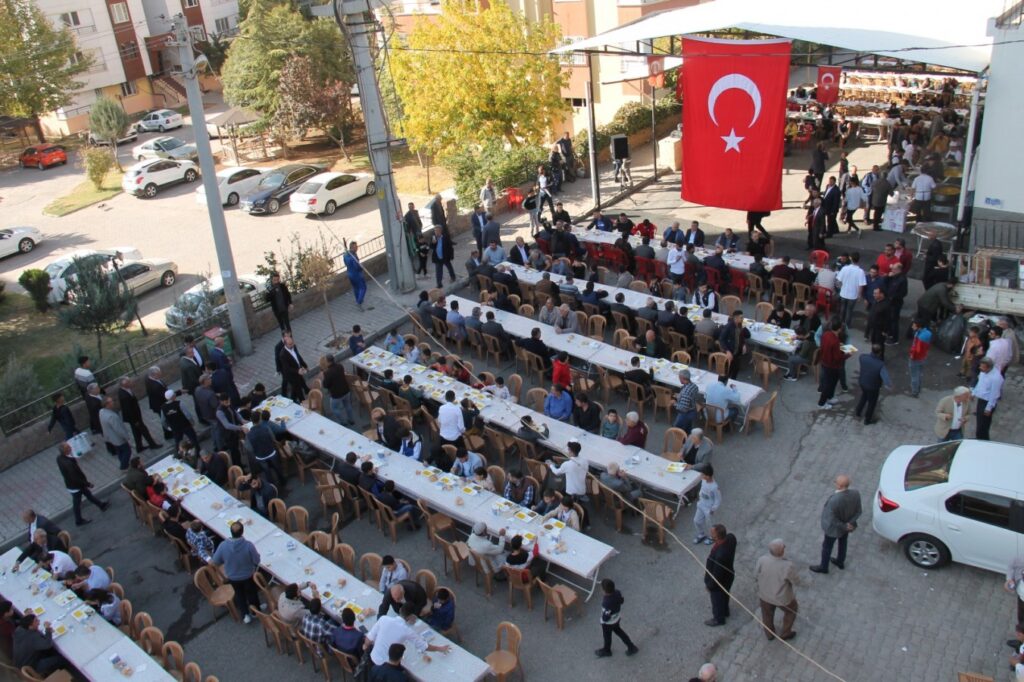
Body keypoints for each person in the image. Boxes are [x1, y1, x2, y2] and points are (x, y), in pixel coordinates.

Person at [365, 605, 450, 667]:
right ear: (411, 616)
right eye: (415, 617)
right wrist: (440, 649)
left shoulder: (384, 618)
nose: (415, 619)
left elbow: (368, 639)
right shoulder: (407, 631)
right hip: (387, 665)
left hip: (372, 658)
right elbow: (424, 646)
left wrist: (364, 646)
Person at [810, 475, 863, 574]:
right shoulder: (856, 494)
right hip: (847, 527)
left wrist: (844, 526)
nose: (834, 483)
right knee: (843, 543)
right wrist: (849, 524)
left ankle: (824, 567)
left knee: (827, 547)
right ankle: (840, 561)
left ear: (839, 486)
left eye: (836, 482)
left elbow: (831, 518)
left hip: (833, 529)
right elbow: (859, 511)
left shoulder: (834, 500)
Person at [211, 521, 262, 624]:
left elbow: (215, 561)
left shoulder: (223, 546)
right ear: (242, 532)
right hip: (248, 576)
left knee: (239, 595)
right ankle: (255, 612)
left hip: (233, 577)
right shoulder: (248, 546)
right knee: (252, 593)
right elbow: (257, 560)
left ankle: (245, 615)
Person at [755, 539, 802, 641]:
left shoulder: (762, 560)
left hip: (765, 595)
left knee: (767, 614)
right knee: (791, 610)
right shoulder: (787, 565)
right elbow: (796, 581)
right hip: (782, 598)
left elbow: (756, 575)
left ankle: (769, 633)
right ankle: (786, 632)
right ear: (781, 551)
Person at [56, 442, 108, 526]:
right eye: (68, 447)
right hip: (76, 486)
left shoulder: (59, 458)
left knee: (88, 495)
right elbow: (75, 477)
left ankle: (101, 505)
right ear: (65, 451)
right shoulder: (68, 463)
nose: (71, 447)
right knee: (77, 503)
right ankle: (78, 520)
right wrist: (87, 484)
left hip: (73, 485)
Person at [594, 578, 639, 658]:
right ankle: (631, 647)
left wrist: (603, 620)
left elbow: (605, 617)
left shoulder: (606, 602)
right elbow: (622, 600)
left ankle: (607, 650)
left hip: (608, 623)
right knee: (620, 632)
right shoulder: (617, 592)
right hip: (616, 619)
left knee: (607, 636)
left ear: (605, 591)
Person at [704, 524, 737, 627]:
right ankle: (725, 611)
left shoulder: (720, 555)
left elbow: (717, 576)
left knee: (717, 599)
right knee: (725, 594)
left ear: (716, 537)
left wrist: (710, 586)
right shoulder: (731, 538)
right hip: (729, 576)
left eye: (712, 533)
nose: (710, 534)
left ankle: (718, 619)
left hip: (720, 581)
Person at [854, 345, 892, 425]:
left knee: (864, 397)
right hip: (873, 387)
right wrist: (889, 386)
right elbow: (886, 379)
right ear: (880, 352)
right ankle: (868, 419)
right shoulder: (880, 364)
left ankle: (858, 413)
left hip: (863, 383)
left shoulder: (863, 357)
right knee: (872, 402)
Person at [817, 319, 850, 409]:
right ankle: (821, 403)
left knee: (833, 382)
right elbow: (837, 357)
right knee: (829, 384)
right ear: (839, 329)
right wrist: (847, 355)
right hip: (832, 366)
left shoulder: (826, 334)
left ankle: (830, 397)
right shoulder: (835, 341)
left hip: (825, 362)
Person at [973, 357, 1004, 441]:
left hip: (987, 402)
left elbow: (994, 394)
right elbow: (980, 383)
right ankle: (979, 437)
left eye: (982, 367)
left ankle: (983, 439)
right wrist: (974, 392)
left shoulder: (996, 378)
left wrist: (988, 408)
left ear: (989, 367)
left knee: (983, 425)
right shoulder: (983, 372)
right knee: (979, 422)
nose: (980, 368)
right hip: (981, 400)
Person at [836, 253, 866, 329]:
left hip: (843, 293)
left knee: (842, 309)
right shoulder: (860, 271)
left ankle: (840, 323)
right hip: (853, 295)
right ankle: (846, 325)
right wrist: (859, 295)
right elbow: (861, 285)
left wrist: (840, 288)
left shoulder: (845, 268)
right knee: (849, 311)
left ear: (851, 259)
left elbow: (839, 281)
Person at [692, 466, 721, 545]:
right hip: (701, 504)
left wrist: (713, 509)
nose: (701, 476)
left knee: (710, 524)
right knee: (696, 521)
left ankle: (713, 537)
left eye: (703, 474)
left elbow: (718, 499)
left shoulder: (714, 487)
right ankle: (701, 534)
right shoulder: (704, 480)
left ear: (708, 476)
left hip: (709, 508)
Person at [278, 333, 309, 402]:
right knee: (298, 389)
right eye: (290, 344)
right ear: (285, 344)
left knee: (297, 387)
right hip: (292, 375)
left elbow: (298, 357)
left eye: (292, 343)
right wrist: (297, 371)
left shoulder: (293, 347)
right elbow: (287, 368)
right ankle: (302, 401)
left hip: (299, 371)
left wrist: (305, 365)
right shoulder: (282, 354)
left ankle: (293, 399)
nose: (292, 345)